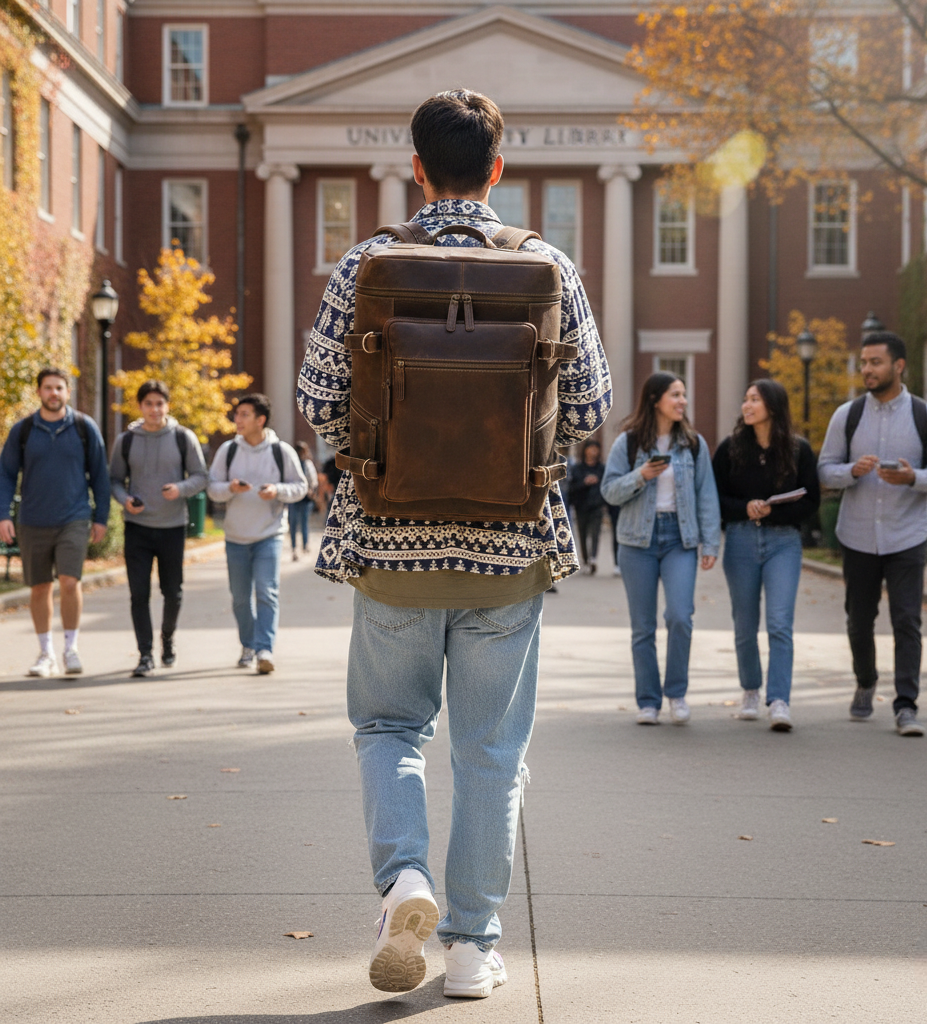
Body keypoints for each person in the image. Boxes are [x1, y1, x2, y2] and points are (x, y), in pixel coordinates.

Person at [297, 89, 610, 999]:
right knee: (490, 752)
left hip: (391, 542)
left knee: (389, 726)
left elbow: (321, 402)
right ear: (498, 171)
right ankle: (473, 948)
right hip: (509, 546)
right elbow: (587, 410)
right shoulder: (547, 265)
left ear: (418, 167)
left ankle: (406, 882)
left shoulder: (367, 266)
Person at [819, 332, 927, 736]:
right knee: (858, 622)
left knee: (907, 621)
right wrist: (852, 472)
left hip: (907, 535)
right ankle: (865, 681)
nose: (867, 370)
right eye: (863, 362)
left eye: (875, 362)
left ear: (898, 366)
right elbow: (825, 469)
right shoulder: (847, 416)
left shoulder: (926, 417)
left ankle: (906, 705)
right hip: (858, 536)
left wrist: (914, 477)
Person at [601, 372, 719, 726]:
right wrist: (642, 476)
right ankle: (649, 701)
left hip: (679, 539)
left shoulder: (694, 445)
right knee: (643, 627)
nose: (682, 401)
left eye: (684, 395)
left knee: (680, 617)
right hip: (637, 541)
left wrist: (709, 542)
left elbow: (707, 497)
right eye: (675, 394)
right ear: (655, 399)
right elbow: (609, 491)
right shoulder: (629, 443)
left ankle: (677, 693)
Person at [712, 379, 820, 731]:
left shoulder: (798, 449)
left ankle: (779, 701)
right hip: (741, 542)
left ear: (772, 406)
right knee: (745, 626)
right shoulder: (730, 449)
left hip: (783, 543)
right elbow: (715, 500)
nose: (747, 405)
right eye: (745, 399)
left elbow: (811, 501)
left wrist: (773, 512)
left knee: (779, 624)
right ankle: (751, 691)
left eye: (754, 399)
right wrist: (746, 508)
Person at [0, 367, 110, 677]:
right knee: (39, 588)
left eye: (59, 388)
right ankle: (46, 653)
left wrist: (100, 517)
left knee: (69, 581)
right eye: (48, 388)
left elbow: (100, 475)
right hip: (33, 519)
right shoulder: (22, 431)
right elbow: (6, 475)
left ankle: (70, 649)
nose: (53, 393)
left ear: (67, 392)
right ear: (39, 392)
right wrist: (3, 515)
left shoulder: (84, 428)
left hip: (73, 518)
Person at [108, 380, 208, 677]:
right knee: (138, 594)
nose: (154, 409)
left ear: (167, 406)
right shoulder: (126, 440)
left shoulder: (182, 437)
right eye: (149, 404)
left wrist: (180, 488)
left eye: (159, 403)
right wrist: (125, 500)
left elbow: (202, 476)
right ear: (140, 406)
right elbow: (114, 480)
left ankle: (167, 639)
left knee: (172, 592)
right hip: (137, 528)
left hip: (172, 527)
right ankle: (145, 654)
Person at [206, 394, 307, 675]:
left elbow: (300, 487)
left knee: (266, 592)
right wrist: (230, 489)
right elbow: (212, 487)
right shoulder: (228, 450)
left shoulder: (281, 451)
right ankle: (248, 644)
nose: (237, 419)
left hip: (269, 535)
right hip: (235, 536)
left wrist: (278, 491)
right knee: (240, 598)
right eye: (237, 414)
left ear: (260, 420)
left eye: (244, 414)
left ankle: (264, 649)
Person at [568, 440, 606, 574]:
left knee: (595, 533)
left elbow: (606, 487)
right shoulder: (578, 468)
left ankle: (593, 558)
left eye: (595, 449)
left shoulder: (601, 468)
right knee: (582, 534)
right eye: (590, 449)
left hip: (597, 506)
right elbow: (571, 488)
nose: (593, 452)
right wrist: (585, 482)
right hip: (581, 505)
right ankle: (585, 560)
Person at [288, 440, 319, 561]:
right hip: (293, 497)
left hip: (305, 498)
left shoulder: (307, 463)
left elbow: (313, 480)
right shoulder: (291, 463)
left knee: (303, 522)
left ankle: (305, 544)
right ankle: (294, 548)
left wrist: (311, 490)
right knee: (293, 523)